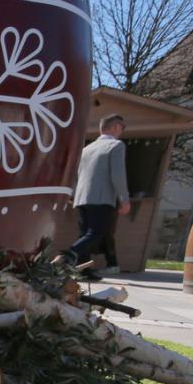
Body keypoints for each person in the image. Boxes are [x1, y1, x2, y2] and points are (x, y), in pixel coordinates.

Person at [65, 114, 131, 281]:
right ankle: (67, 256)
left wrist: (73, 195)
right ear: (115, 127)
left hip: (81, 198)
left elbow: (76, 174)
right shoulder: (116, 146)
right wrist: (124, 198)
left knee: (85, 234)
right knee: (97, 232)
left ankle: (82, 271)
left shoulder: (86, 149)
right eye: (122, 128)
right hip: (101, 197)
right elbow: (118, 174)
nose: (122, 132)